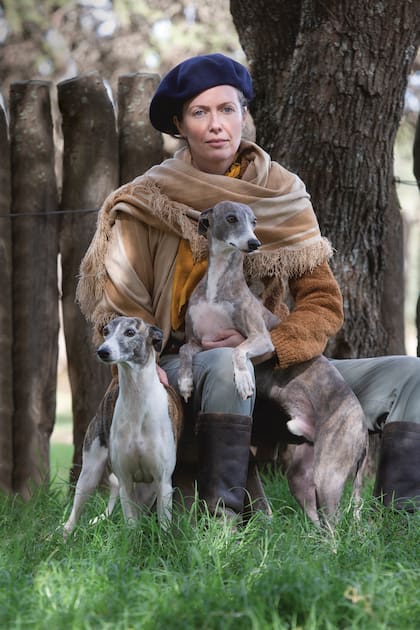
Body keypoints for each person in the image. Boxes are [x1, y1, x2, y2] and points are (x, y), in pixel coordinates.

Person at [77, 53, 420, 521]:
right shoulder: (146, 200)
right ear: (180, 124)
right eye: (200, 113)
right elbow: (118, 311)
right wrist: (148, 370)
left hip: (272, 361)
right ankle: (226, 527)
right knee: (220, 359)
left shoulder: (283, 194)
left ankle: (400, 522)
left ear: (244, 115)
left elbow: (322, 303)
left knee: (409, 374)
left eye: (227, 109)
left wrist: (270, 345)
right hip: (184, 369)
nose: (216, 124)